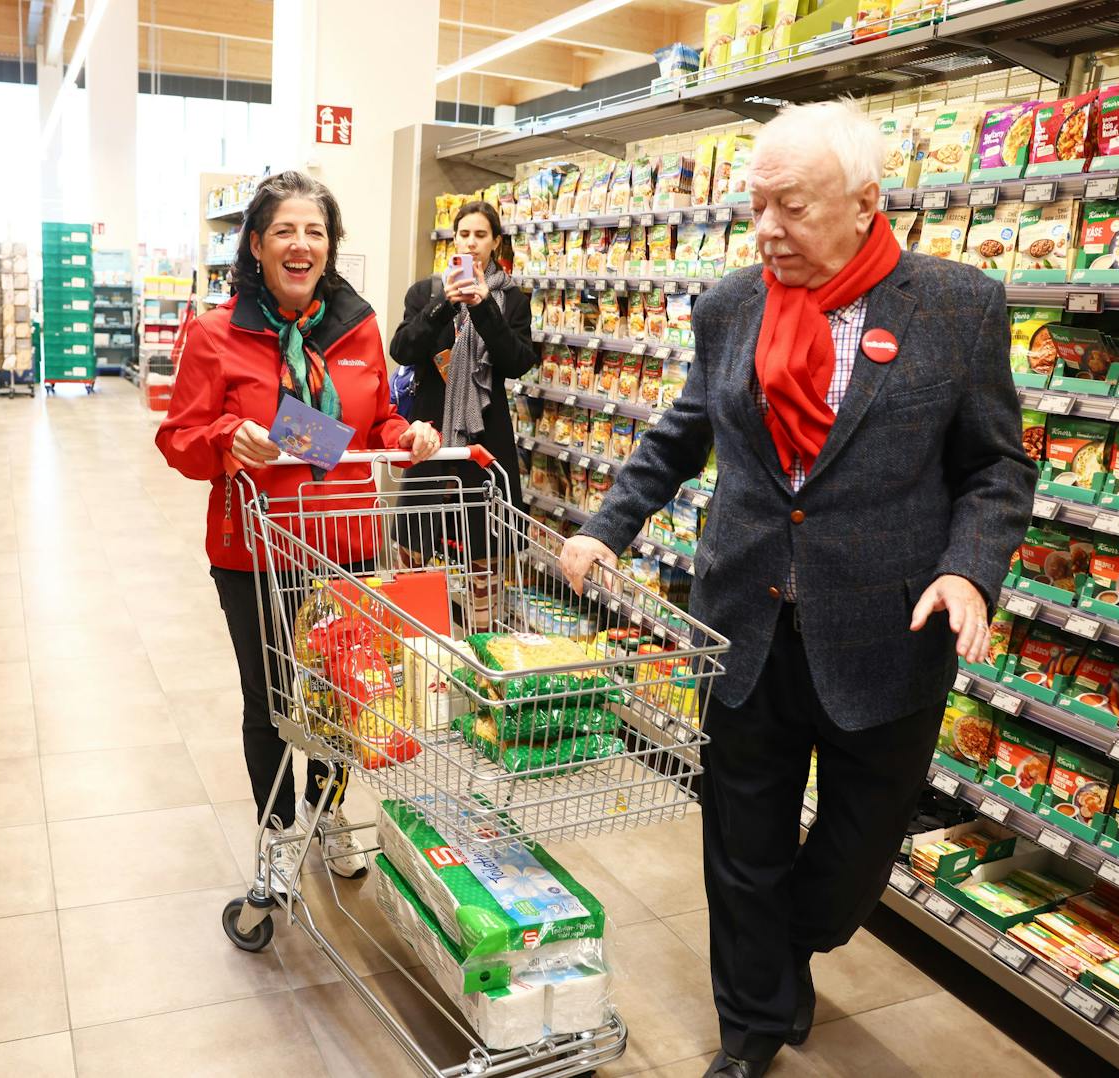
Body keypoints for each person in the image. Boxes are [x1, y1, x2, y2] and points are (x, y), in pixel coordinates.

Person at [559, 101, 1032, 1078]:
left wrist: (965, 567)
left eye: (790, 206)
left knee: (853, 861)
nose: (765, 229)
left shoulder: (957, 306)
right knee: (740, 842)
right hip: (745, 616)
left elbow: (994, 467)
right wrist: (606, 526)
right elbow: (680, 431)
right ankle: (750, 1027)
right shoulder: (729, 303)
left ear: (864, 203)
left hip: (887, 631)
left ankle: (789, 947)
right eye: (755, 204)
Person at [156, 171, 441, 891]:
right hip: (254, 552)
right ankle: (280, 829)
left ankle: (330, 810)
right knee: (273, 700)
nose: (300, 243)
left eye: (314, 231)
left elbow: (372, 419)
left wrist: (404, 432)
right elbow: (179, 437)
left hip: (343, 545)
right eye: (284, 229)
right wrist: (226, 434)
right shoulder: (218, 334)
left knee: (342, 693)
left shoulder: (358, 327)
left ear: (330, 247)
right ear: (255, 245)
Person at [389, 200, 537, 576]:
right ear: (453, 239)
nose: (471, 243)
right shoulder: (425, 292)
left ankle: (481, 634)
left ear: (495, 242)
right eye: (464, 234)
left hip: (486, 442)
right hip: (429, 438)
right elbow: (402, 349)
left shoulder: (512, 299)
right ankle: (416, 631)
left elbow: (518, 363)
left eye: (481, 235)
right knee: (414, 554)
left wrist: (485, 308)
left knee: (484, 557)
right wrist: (443, 304)